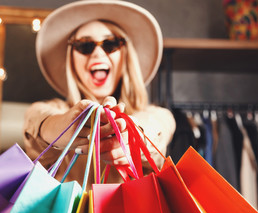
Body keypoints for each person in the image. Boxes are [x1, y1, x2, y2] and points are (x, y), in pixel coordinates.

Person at [23, 0, 176, 185]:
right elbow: (39, 121)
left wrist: (132, 134)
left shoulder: (157, 114)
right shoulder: (46, 108)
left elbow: (158, 126)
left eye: (110, 44)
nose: (97, 53)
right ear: (71, 58)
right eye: (85, 46)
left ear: (125, 56)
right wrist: (63, 127)